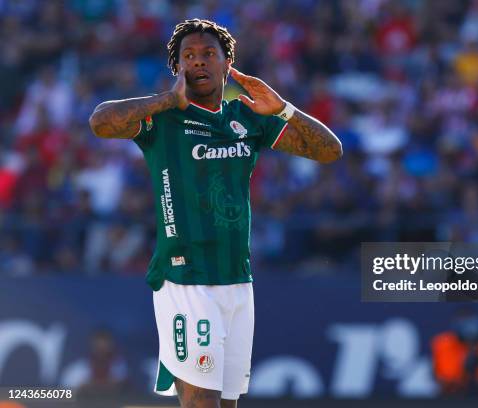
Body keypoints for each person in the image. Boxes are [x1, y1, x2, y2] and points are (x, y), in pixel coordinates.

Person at [88, 18, 342, 408]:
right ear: (178, 68)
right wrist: (166, 100)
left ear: (228, 64)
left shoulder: (248, 119)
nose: (199, 62)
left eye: (209, 54)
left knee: (226, 403)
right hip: (187, 278)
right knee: (201, 401)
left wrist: (284, 109)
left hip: (237, 280)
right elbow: (100, 122)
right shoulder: (162, 120)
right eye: (188, 56)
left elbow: (329, 150)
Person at [431, 308, 478, 395]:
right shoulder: (443, 343)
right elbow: (446, 378)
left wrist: (476, 356)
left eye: (471, 321)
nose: (468, 327)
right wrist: (464, 366)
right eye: (463, 322)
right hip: (451, 396)